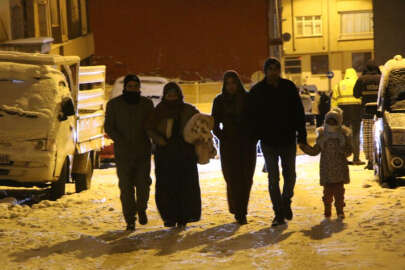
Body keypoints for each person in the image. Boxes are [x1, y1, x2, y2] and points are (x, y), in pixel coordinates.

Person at [247, 58, 307, 227]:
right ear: (265, 71)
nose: (273, 72)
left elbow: (298, 113)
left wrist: (301, 136)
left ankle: (286, 200)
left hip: (288, 140)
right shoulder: (257, 91)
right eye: (270, 69)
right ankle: (278, 213)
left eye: (276, 69)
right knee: (273, 178)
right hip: (268, 142)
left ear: (279, 71)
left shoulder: (288, 87)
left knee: (290, 176)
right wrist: (253, 137)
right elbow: (251, 116)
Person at [147, 82, 201, 228]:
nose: (172, 98)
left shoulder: (189, 110)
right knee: (166, 186)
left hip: (185, 153)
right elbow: (150, 128)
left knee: (185, 186)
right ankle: (169, 217)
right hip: (165, 154)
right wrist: (160, 141)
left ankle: (184, 216)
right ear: (164, 96)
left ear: (179, 95)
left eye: (174, 95)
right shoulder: (158, 111)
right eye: (169, 95)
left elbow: (200, 125)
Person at [104, 74, 154, 231]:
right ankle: (130, 219)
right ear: (125, 87)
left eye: (135, 86)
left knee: (143, 185)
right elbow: (109, 126)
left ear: (139, 88)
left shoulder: (146, 104)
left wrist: (153, 140)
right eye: (130, 86)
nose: (133, 89)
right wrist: (120, 140)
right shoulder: (114, 105)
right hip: (123, 154)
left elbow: (152, 125)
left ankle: (141, 209)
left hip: (142, 152)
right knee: (126, 188)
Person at [211, 71, 257, 225]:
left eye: (233, 83)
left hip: (247, 144)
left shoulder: (248, 99)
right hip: (229, 144)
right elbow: (214, 123)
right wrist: (222, 137)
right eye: (228, 83)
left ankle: (241, 211)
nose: (231, 86)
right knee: (231, 178)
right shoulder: (219, 100)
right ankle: (236, 208)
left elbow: (256, 119)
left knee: (246, 178)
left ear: (238, 83)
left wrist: (253, 138)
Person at [300, 110, 353, 219]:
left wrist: (342, 149)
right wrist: (304, 147)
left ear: (338, 122)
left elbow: (349, 152)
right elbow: (315, 151)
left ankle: (340, 211)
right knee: (327, 194)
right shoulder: (322, 136)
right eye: (329, 121)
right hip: (327, 170)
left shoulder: (342, 135)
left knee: (339, 194)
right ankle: (327, 210)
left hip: (339, 170)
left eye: (334, 121)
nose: (331, 124)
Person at [332, 68, 364, 165]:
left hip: (343, 111)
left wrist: (334, 114)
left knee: (343, 135)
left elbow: (334, 101)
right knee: (356, 134)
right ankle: (356, 158)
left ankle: (344, 157)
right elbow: (362, 97)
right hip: (356, 110)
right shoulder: (358, 83)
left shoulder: (338, 85)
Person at [354, 61, 381, 170]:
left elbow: (355, 94)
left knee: (368, 137)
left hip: (367, 112)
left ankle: (370, 161)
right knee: (380, 137)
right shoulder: (381, 78)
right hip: (380, 113)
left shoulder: (361, 79)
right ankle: (380, 159)